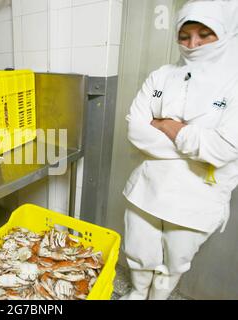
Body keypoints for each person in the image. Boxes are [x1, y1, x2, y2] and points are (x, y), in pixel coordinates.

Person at [121, 0, 238, 300]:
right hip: (148, 187)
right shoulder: (162, 76)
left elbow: (224, 147)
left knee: (177, 257)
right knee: (139, 244)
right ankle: (137, 292)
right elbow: (136, 128)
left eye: (204, 34)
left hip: (198, 197)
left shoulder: (233, 83)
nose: (193, 44)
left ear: (223, 34)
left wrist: (168, 126)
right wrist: (195, 148)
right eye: (184, 36)